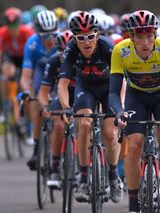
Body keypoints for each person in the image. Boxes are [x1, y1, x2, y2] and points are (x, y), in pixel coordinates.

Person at [109, 10, 160, 213]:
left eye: (149, 36)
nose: (145, 43)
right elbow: (113, 91)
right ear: (131, 37)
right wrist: (118, 112)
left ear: (155, 35)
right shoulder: (120, 51)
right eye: (140, 37)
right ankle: (134, 202)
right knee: (134, 145)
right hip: (137, 97)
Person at [57, 11, 123, 203]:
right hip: (85, 88)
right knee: (84, 125)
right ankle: (84, 179)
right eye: (81, 38)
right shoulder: (70, 49)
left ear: (98, 35)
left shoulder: (107, 47)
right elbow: (63, 83)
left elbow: (122, 80)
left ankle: (113, 176)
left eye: (91, 36)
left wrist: (121, 106)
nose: (87, 42)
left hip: (108, 88)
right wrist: (66, 106)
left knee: (110, 134)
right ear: (75, 39)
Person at [20, 10, 58, 170]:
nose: (50, 40)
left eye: (53, 35)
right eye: (45, 36)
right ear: (38, 33)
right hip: (41, 72)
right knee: (36, 103)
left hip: (59, 73)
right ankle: (36, 150)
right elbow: (25, 77)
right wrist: (27, 92)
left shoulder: (63, 40)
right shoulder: (32, 44)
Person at [38, 30, 74, 186]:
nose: (64, 57)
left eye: (67, 53)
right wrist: (45, 106)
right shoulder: (53, 62)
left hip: (80, 97)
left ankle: (86, 167)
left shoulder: (82, 61)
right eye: (61, 53)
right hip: (60, 99)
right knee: (58, 125)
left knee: (87, 125)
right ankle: (55, 166)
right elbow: (43, 92)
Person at [0, 7, 34, 125]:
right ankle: (5, 108)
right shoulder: (1, 33)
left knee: (27, 89)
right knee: (5, 73)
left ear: (20, 24)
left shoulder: (28, 32)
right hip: (12, 59)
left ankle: (29, 125)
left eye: (15, 26)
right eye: (10, 27)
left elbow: (34, 54)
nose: (13, 30)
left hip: (26, 58)